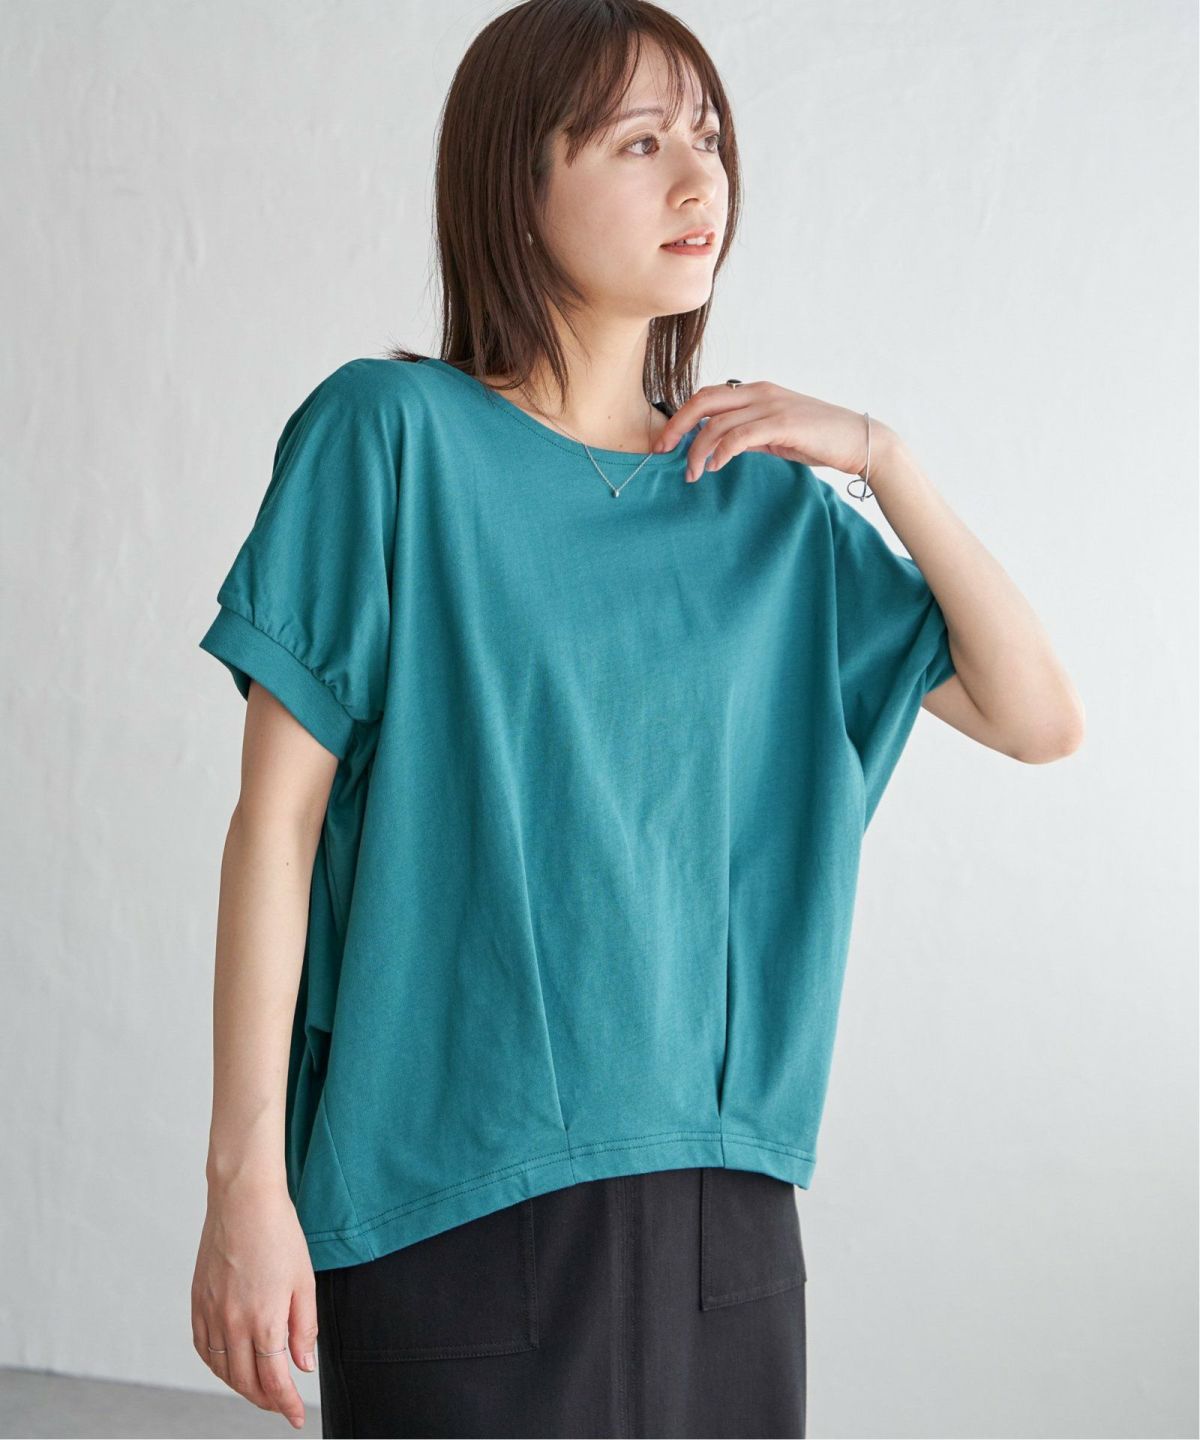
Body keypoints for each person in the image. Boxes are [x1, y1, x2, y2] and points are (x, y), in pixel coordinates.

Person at [190, 2, 1086, 1436]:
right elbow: (276, 824)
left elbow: (1037, 716)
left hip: (724, 1206)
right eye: (638, 141)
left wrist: (882, 456)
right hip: (449, 1195)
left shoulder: (769, 511)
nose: (698, 177)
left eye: (710, 138)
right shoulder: (390, 438)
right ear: (517, 183)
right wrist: (243, 1179)